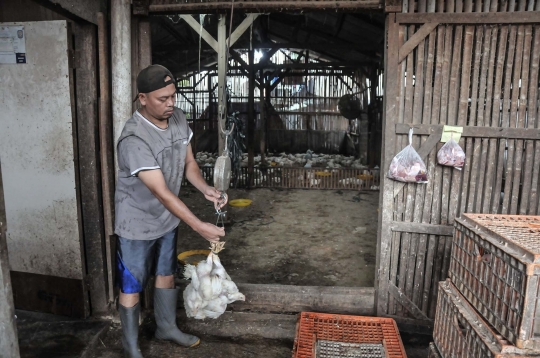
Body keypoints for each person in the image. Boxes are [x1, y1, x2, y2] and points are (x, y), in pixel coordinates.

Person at [114, 64, 227, 358]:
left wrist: (206, 189)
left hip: (168, 218)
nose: (170, 104)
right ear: (142, 98)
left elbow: (189, 163)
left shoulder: (176, 118)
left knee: (166, 272)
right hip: (136, 223)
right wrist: (199, 226)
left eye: (173, 96)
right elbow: (162, 192)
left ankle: (166, 327)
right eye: (162, 99)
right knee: (132, 285)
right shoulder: (134, 139)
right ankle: (131, 346)